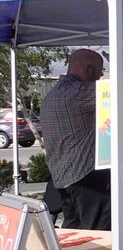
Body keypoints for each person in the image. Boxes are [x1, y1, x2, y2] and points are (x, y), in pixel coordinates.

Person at [41, 48, 110, 230]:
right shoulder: (79, 92)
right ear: (88, 71)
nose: (100, 77)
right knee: (99, 234)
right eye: (100, 72)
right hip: (86, 174)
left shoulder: (52, 95)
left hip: (63, 176)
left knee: (74, 231)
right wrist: (119, 65)